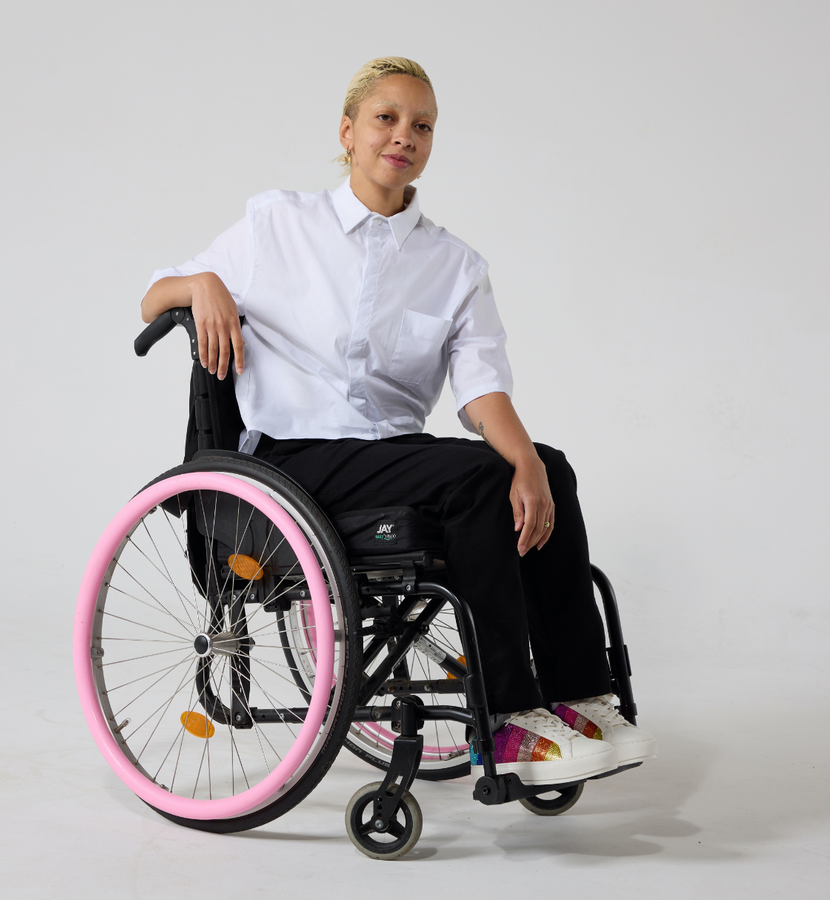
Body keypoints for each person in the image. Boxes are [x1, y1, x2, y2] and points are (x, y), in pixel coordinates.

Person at [141, 57, 656, 786]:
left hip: (392, 456)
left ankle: (581, 698)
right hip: (292, 462)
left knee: (546, 465)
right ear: (348, 131)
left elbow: (481, 392)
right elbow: (152, 297)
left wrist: (530, 465)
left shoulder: (454, 264)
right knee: (483, 476)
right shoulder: (278, 224)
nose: (403, 135)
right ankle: (509, 721)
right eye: (386, 118)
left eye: (422, 125)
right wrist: (203, 284)